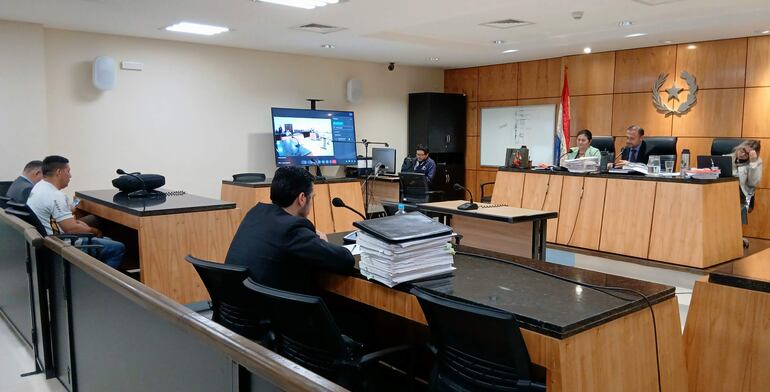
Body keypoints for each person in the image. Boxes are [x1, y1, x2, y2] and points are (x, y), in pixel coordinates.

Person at [225, 166, 355, 294]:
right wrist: (324, 243)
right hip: (267, 311)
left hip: (233, 307)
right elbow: (345, 260)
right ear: (302, 198)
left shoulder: (255, 213)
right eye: (312, 197)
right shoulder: (292, 229)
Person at [26, 155, 125, 269]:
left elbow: (67, 222)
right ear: (59, 172)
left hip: (51, 240)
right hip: (63, 244)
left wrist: (80, 225)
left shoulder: (38, 187)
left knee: (108, 240)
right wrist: (94, 231)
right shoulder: (55, 195)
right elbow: (71, 229)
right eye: (68, 171)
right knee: (117, 248)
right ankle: (102, 283)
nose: (70, 176)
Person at [727, 140, 763, 230]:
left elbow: (753, 183)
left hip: (743, 196)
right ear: (739, 147)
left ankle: (733, 236)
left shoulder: (756, 162)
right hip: (726, 192)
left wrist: (753, 163)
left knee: (729, 211)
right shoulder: (728, 158)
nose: (743, 154)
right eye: (742, 151)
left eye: (747, 154)